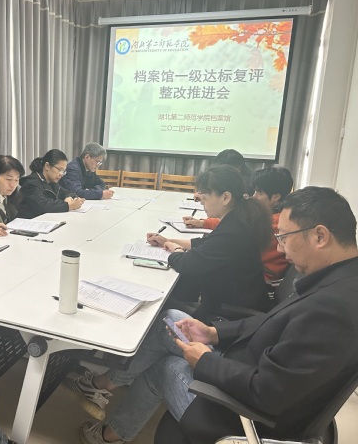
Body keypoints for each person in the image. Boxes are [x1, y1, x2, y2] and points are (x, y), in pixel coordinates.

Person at [71, 186, 358, 444]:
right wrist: (214, 333)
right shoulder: (338, 280)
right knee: (171, 319)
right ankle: (107, 394)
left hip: (243, 419)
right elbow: (273, 320)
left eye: (284, 237)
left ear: (320, 236)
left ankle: (109, 425)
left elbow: (268, 392)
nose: (281, 248)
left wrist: (206, 361)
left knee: (164, 366)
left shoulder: (333, 309)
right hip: (247, 364)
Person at [147, 165, 272, 321]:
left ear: (225, 198)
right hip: (234, 302)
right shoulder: (239, 218)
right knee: (180, 291)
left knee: (158, 310)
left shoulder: (232, 231)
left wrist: (176, 250)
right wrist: (168, 241)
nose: (202, 204)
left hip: (228, 317)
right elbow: (207, 243)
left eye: (205, 198)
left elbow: (187, 264)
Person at [183, 166, 293, 282]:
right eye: (254, 191)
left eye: (259, 193)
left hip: (258, 277)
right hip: (248, 271)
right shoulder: (269, 214)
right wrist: (203, 223)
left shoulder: (277, 222)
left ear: (276, 197)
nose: (254, 196)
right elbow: (239, 221)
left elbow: (237, 226)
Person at [17, 149, 84, 218]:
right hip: (30, 222)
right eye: (60, 170)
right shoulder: (31, 183)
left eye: (63, 171)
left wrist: (68, 197)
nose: (61, 174)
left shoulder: (52, 182)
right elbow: (43, 205)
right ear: (47, 166)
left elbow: (68, 193)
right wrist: (68, 205)